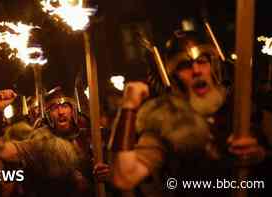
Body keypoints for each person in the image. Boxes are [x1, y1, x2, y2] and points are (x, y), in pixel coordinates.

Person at [110, 30, 269, 196]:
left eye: (202, 61)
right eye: (184, 66)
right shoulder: (167, 120)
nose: (196, 70)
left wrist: (260, 155)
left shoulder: (240, 107)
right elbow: (124, 177)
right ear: (174, 77)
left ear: (213, 67)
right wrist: (128, 106)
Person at [0, 88, 110, 197]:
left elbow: (121, 173)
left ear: (73, 110)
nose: (61, 112)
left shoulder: (91, 137)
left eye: (65, 106)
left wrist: (107, 174)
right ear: (48, 115)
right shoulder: (40, 143)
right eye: (54, 108)